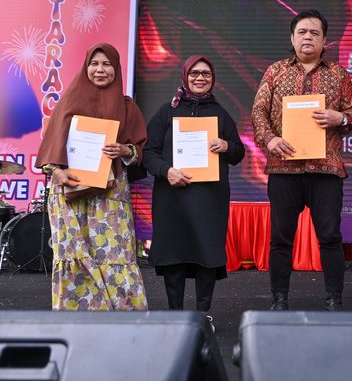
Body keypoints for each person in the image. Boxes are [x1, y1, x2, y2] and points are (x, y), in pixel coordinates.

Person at [251, 10, 352, 311]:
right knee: (281, 238)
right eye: (302, 32)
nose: (308, 37)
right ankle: (279, 299)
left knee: (330, 237)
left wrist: (340, 118)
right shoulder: (275, 71)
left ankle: (335, 300)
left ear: (324, 40)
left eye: (314, 32)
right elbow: (258, 111)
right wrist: (270, 139)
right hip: (284, 168)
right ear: (292, 38)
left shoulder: (339, 74)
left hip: (326, 170)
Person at [35, 43, 149, 311]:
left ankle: (122, 316)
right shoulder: (67, 102)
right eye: (94, 64)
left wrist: (125, 150)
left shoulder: (127, 107)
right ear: (86, 67)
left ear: (116, 69)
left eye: (107, 64)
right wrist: (57, 171)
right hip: (69, 193)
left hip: (110, 195)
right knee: (73, 253)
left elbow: (138, 151)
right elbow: (49, 151)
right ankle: (75, 318)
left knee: (114, 252)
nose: (100, 70)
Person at [143, 55, 245, 328]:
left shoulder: (220, 114)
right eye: (195, 73)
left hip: (210, 199)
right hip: (172, 197)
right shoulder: (166, 112)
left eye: (206, 74)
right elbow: (148, 153)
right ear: (185, 76)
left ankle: (203, 314)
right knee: (174, 256)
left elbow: (238, 153)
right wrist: (166, 171)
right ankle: (174, 314)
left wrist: (227, 146)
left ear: (213, 79)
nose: (200, 78)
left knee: (206, 255)